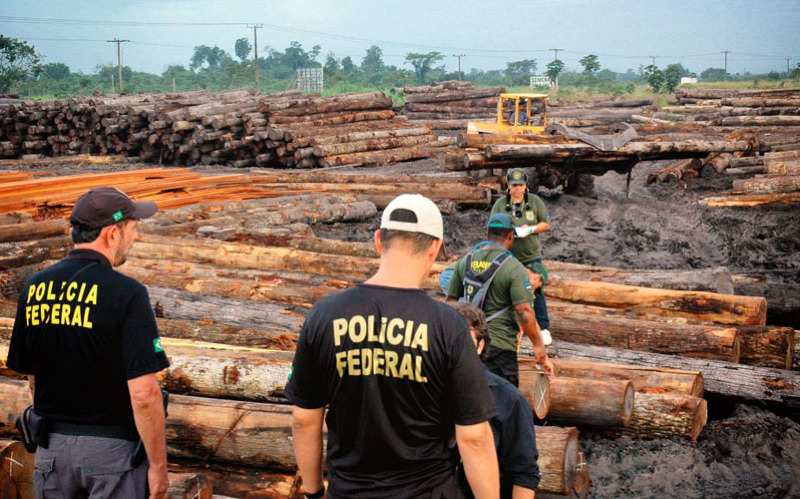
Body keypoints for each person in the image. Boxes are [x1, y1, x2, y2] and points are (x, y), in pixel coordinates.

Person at [285, 194, 500, 499]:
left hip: (349, 491)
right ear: (435, 248)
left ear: (377, 241)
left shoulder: (324, 315)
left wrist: (313, 490)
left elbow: (304, 418)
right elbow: (475, 437)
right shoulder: (448, 326)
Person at [6, 187, 170, 499]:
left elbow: (32, 375)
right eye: (133, 229)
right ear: (112, 233)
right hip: (112, 456)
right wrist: (158, 467)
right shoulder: (127, 293)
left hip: (52, 451)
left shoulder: (35, 287)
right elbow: (145, 394)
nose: (134, 238)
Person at [446, 212, 554, 387]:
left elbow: (451, 303)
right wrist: (540, 351)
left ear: (487, 234)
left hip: (466, 346)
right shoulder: (514, 268)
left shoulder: (465, 261)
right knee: (501, 406)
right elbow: (524, 312)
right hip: (499, 349)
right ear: (511, 236)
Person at [452, 303, 540, 499]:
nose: (454, 351)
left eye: (463, 342)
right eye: (448, 342)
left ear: (480, 345)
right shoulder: (427, 389)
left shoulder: (509, 400)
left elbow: (524, 474)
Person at [490, 168, 553, 345]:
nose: (517, 188)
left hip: (530, 255)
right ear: (508, 186)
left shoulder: (534, 202)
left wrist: (530, 229)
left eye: (520, 185)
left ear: (526, 186)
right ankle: (507, 326)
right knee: (504, 289)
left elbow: (546, 223)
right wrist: (510, 230)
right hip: (508, 255)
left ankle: (544, 327)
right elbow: (493, 226)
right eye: (514, 185)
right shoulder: (501, 205)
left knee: (537, 289)